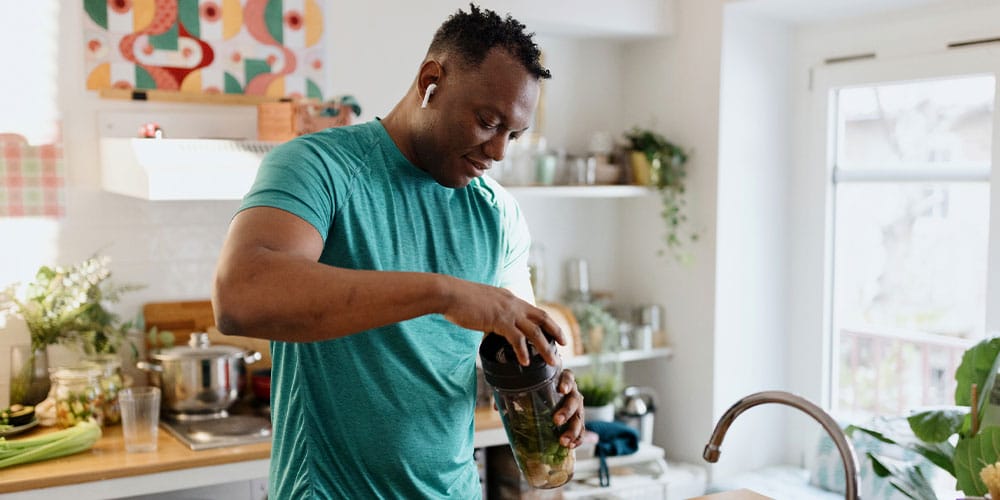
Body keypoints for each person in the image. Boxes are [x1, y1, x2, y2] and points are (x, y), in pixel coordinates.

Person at [212, 4, 584, 498]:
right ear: (432, 81)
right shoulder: (317, 166)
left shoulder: (498, 214)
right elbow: (241, 295)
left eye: (512, 135)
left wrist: (549, 391)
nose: (498, 152)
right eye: (487, 121)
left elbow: (518, 354)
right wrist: (445, 294)